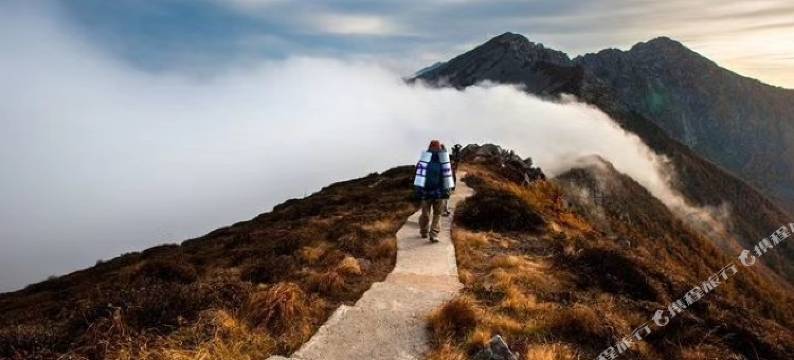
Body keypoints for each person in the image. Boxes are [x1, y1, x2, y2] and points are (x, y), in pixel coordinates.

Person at [413, 140, 454, 242]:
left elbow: (418, 175)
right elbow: (448, 175)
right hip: (438, 192)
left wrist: (418, 190)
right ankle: (430, 233)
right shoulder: (443, 161)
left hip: (426, 192)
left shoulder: (423, 161)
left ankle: (427, 232)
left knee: (428, 214)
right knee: (435, 214)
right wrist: (447, 191)